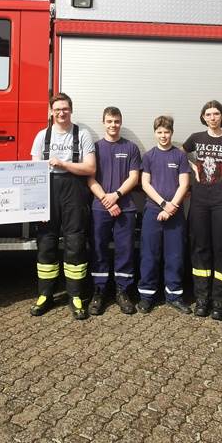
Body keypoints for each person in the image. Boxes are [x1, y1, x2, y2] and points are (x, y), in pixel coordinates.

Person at [29, 93, 96, 320]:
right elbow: (32, 169)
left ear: (71, 110)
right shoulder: (41, 136)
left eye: (65, 109)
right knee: (46, 242)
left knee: (75, 242)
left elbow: (90, 169)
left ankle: (76, 296)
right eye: (57, 109)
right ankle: (45, 295)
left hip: (74, 191)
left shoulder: (82, 134)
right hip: (47, 191)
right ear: (51, 111)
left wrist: (64, 164)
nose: (61, 113)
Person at [183, 100, 222, 321]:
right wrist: (194, 167)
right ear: (203, 117)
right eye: (208, 114)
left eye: (216, 113)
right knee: (200, 248)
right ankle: (202, 299)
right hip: (199, 202)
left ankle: (219, 301)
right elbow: (180, 155)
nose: (212, 117)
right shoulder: (196, 139)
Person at [87, 107, 141, 315]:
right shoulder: (94, 148)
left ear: (121, 122)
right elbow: (90, 177)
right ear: (103, 123)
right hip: (100, 208)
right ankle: (98, 292)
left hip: (125, 208)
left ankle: (122, 291)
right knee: (99, 249)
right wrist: (106, 199)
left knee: (125, 250)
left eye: (116, 121)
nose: (113, 125)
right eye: (109, 121)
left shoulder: (131, 147)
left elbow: (134, 177)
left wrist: (116, 196)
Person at [138, 115, 191, 315]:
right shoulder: (149, 156)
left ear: (172, 133)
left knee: (175, 256)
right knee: (149, 255)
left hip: (175, 214)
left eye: (166, 132)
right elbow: (145, 183)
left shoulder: (179, 156)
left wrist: (172, 207)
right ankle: (146, 296)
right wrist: (162, 205)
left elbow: (184, 183)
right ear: (155, 133)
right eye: (159, 132)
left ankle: (174, 296)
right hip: (153, 211)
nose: (163, 136)